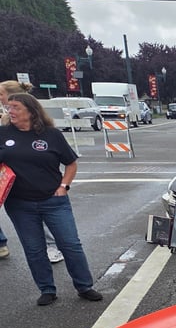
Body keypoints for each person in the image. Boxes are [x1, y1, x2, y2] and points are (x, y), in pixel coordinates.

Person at [0, 92, 102, 306]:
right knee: (34, 248)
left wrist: (64, 186)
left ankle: (84, 286)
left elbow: (71, 163)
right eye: (9, 107)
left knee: (70, 244)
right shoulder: (3, 133)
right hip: (19, 204)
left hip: (53, 201)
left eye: (16, 107)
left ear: (31, 111)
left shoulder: (51, 135)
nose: (11, 111)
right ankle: (47, 289)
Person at [1, 79, 63, 263]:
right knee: (29, 223)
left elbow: (66, 158)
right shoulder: (5, 119)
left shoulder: (29, 120)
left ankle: (51, 246)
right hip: (11, 181)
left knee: (41, 213)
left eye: (1, 94)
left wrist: (63, 185)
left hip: (33, 182)